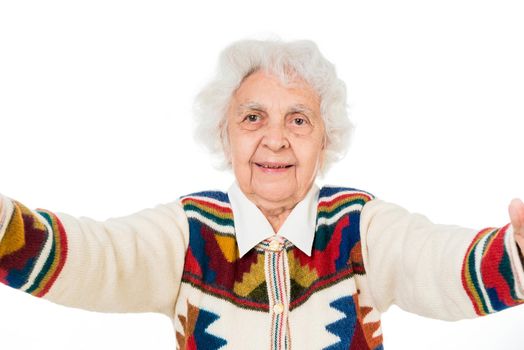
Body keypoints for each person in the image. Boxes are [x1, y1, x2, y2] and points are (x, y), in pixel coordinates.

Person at [1, 39, 524, 350]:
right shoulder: (189, 232)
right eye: (253, 118)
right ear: (225, 135)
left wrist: (516, 253)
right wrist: (5, 228)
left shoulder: (359, 226)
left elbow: (436, 261)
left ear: (326, 139)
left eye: (298, 120)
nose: (275, 138)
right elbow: (101, 257)